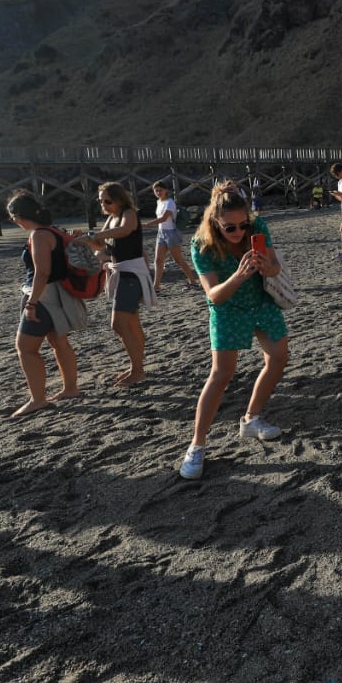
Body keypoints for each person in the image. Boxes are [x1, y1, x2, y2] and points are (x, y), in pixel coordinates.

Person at [178, 186, 289, 479]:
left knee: (279, 357)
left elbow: (275, 268)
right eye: (230, 227)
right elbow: (213, 295)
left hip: (260, 301)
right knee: (221, 375)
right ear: (215, 223)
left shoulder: (257, 226)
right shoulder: (201, 245)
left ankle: (251, 419)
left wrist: (268, 267)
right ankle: (197, 446)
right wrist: (238, 276)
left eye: (243, 225)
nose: (239, 231)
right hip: (228, 308)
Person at [6, 190, 87, 417]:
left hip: (43, 296)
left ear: (18, 217)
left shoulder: (39, 235)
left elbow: (42, 273)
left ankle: (38, 400)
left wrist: (31, 304)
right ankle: (70, 389)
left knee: (25, 348)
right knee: (58, 341)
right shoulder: (55, 231)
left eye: (13, 219)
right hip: (60, 294)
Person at [78, 182, 154, 386]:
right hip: (123, 274)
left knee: (119, 324)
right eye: (101, 201)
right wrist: (85, 239)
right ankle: (137, 367)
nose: (104, 205)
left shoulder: (128, 213)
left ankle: (138, 370)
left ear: (120, 199)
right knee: (131, 324)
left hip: (131, 275)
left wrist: (96, 235)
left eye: (108, 201)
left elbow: (125, 230)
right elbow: (100, 246)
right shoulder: (112, 219)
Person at [142, 180, 200, 293]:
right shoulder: (159, 202)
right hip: (161, 233)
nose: (158, 192)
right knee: (158, 261)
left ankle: (194, 282)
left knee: (178, 260)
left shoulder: (170, 202)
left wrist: (147, 224)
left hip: (171, 233)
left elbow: (164, 218)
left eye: (160, 190)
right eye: (156, 190)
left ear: (166, 190)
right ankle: (156, 287)